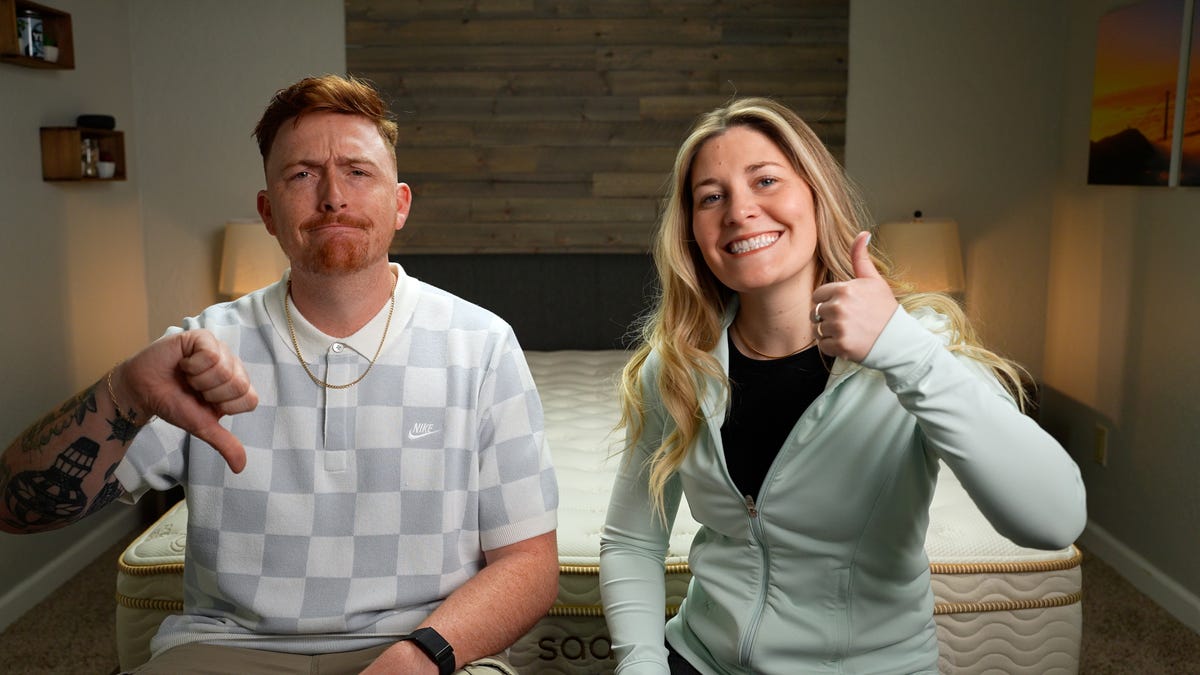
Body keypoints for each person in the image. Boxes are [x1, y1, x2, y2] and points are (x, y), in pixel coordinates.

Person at [0, 74, 558, 675]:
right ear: (268, 212)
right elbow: (15, 509)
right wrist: (124, 392)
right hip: (226, 650)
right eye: (301, 175)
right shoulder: (199, 351)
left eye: (358, 172)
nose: (333, 197)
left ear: (399, 205)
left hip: (425, 645)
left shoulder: (482, 345)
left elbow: (528, 561)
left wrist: (422, 656)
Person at [598, 97, 1087, 674]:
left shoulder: (918, 346)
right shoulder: (678, 366)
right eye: (712, 197)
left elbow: (1054, 521)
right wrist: (642, 667)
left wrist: (902, 349)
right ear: (693, 233)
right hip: (702, 657)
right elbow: (632, 542)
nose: (739, 211)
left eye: (766, 180)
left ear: (815, 195)